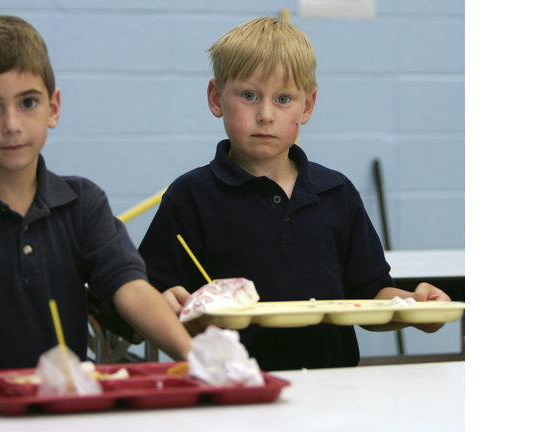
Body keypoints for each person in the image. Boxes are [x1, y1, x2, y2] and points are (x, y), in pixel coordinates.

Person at [0, 15, 191, 395]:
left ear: (53, 107)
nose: (12, 123)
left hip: (64, 405)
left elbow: (128, 286)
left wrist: (191, 352)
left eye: (27, 102)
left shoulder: (83, 203)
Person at [138, 17, 450, 371]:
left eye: (283, 98)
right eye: (249, 95)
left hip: (334, 393)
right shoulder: (190, 197)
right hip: (231, 394)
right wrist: (170, 305)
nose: (266, 114)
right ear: (216, 98)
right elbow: (145, 299)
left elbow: (373, 298)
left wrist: (415, 306)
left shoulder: (337, 193)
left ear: (307, 106)